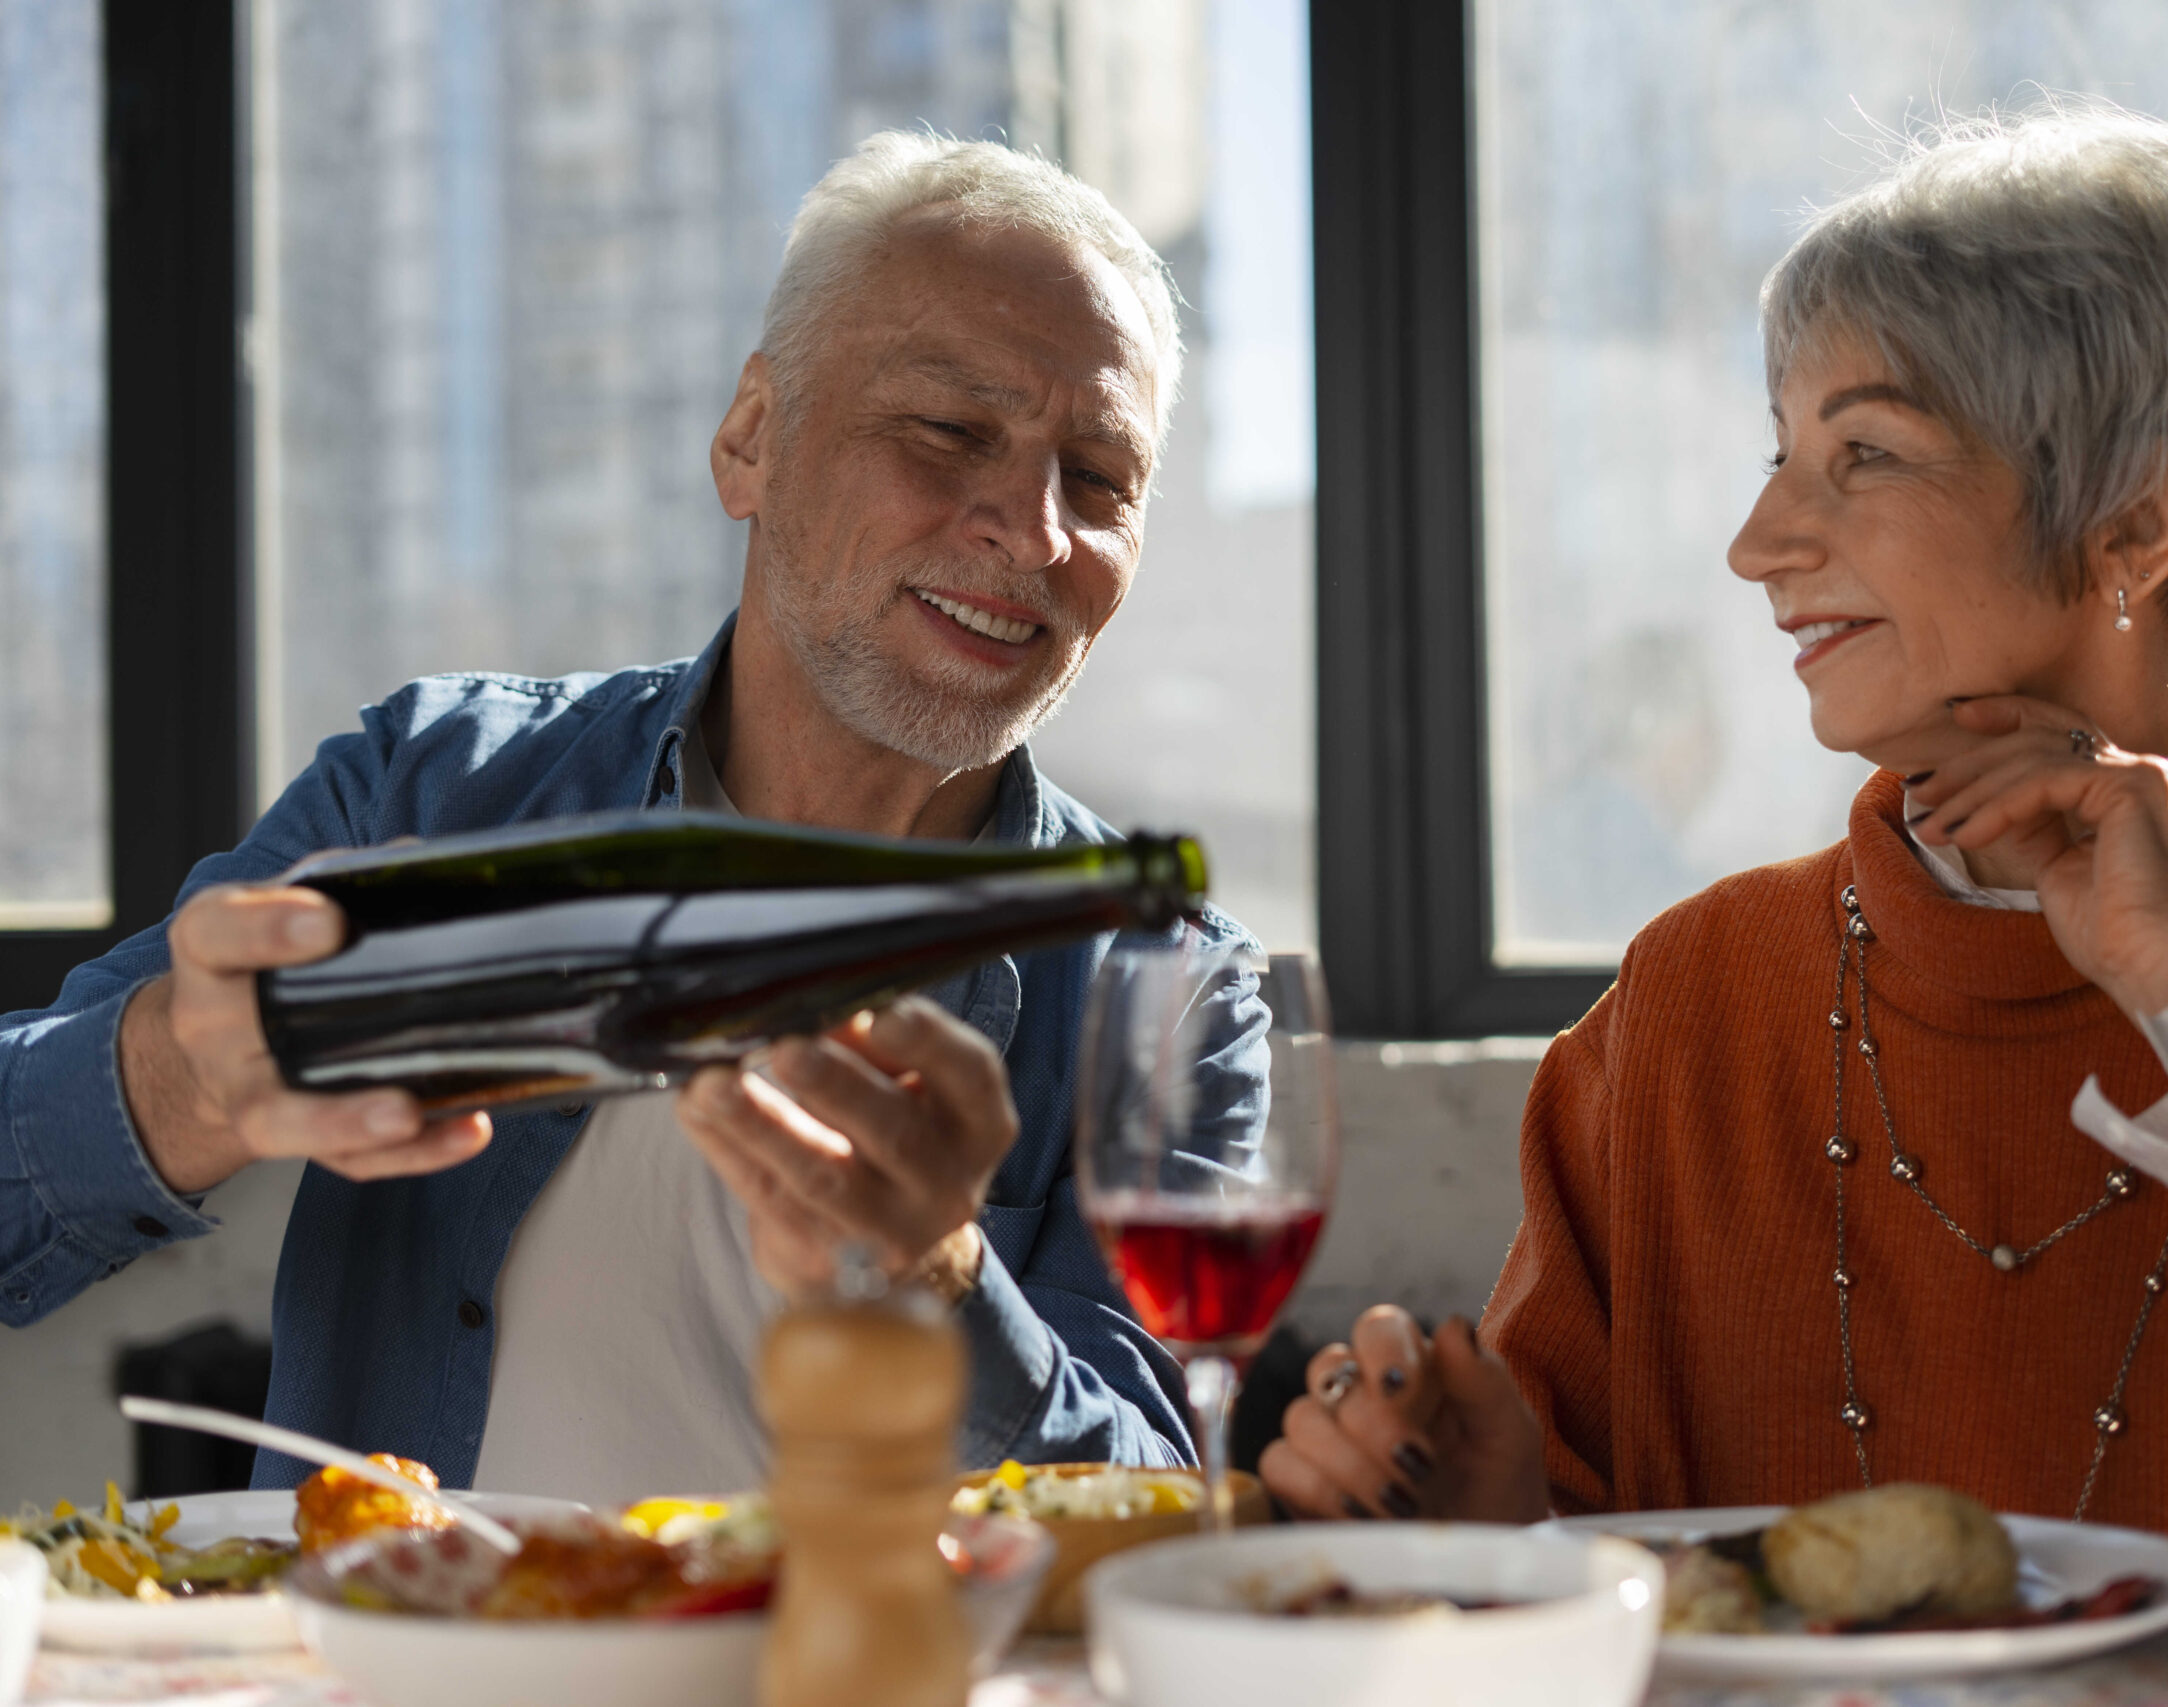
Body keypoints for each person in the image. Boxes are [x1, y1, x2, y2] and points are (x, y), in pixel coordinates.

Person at [1261, 105, 2168, 1585]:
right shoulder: (1683, 1008)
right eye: (1781, 453)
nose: (1759, 542)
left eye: (1864, 452)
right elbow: (1590, 1607)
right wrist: (1490, 1534)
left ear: (2138, 525)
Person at [0, 133, 1252, 1504]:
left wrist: (939, 1286)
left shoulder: (1172, 982)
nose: (1037, 531)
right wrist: (192, 1074)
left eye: (1099, 477)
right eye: (953, 432)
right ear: (749, 441)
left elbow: (1154, 1505)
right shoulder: (433, 786)